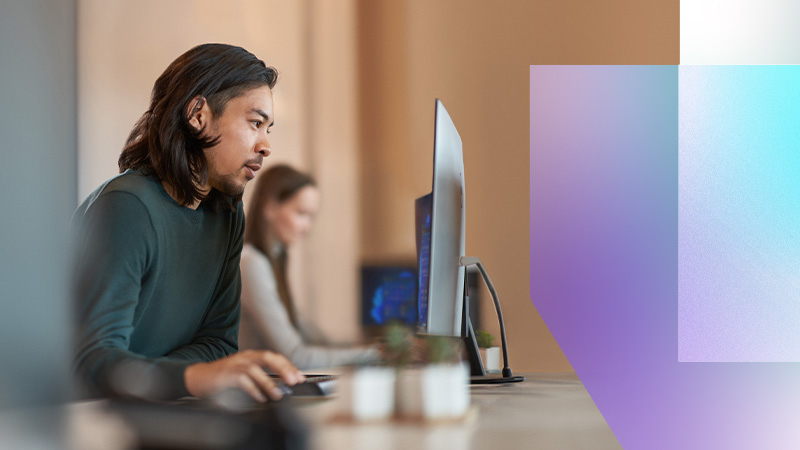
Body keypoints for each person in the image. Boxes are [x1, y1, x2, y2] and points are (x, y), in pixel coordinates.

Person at [72, 43, 305, 403]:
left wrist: (169, 378)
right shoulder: (127, 206)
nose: (265, 146)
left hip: (159, 410)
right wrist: (191, 377)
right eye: (255, 123)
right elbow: (93, 362)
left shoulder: (227, 213)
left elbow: (219, 343)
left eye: (268, 129)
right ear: (198, 114)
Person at [239, 165, 380, 369]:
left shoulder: (275, 260)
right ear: (270, 208)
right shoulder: (252, 264)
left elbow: (315, 338)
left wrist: (372, 349)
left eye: (311, 217)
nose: (307, 227)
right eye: (301, 214)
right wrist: (373, 354)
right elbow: (296, 356)